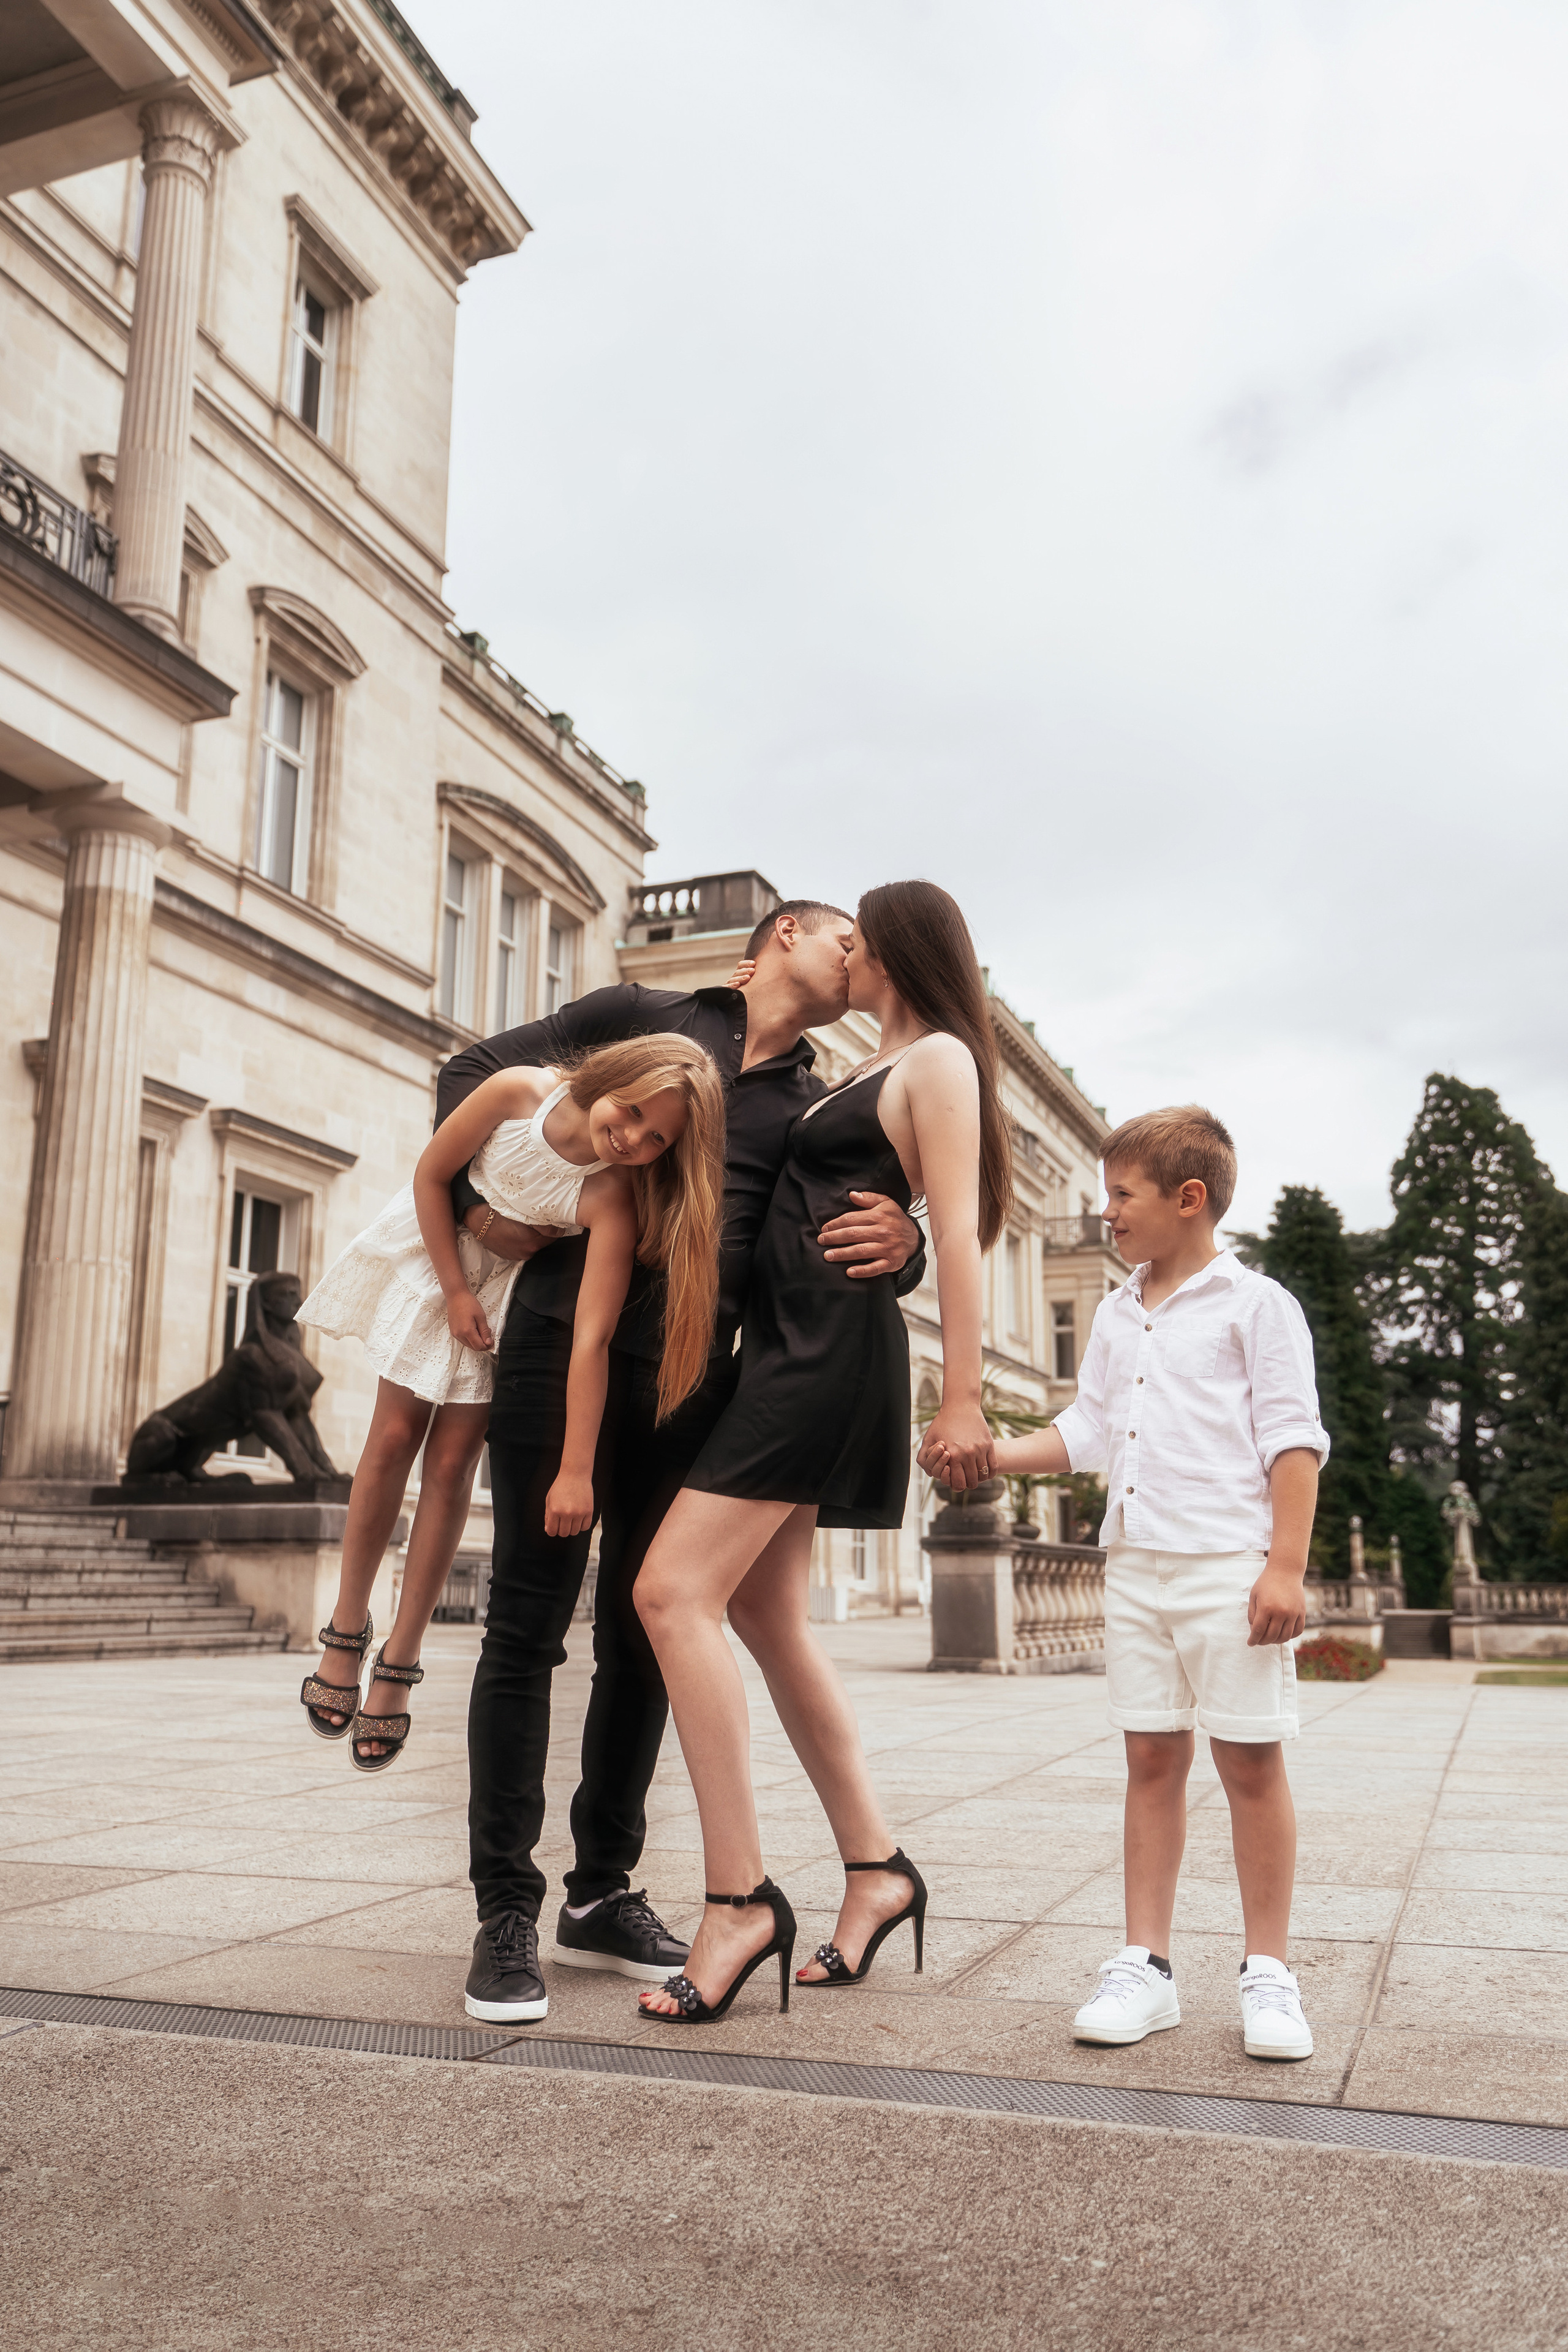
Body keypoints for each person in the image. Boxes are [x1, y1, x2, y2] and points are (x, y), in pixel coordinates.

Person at [437, 903, 927, 2024]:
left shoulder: (817, 1107)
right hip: (559, 1352)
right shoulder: (638, 1013)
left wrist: (910, 1247)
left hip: (698, 1384)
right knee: (522, 1626)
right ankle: (505, 1906)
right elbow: (476, 1069)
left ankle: (601, 1891)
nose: (857, 958)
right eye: (840, 937)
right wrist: (486, 1198)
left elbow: (845, 1241)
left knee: (643, 1637)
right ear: (780, 935)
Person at [633, 879, 1011, 2024]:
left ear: (894, 949)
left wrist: (968, 1401)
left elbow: (966, 1224)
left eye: (858, 938)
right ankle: (877, 1869)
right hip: (789, 1345)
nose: (844, 952)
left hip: (827, 1356)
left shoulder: (938, 1059)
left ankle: (738, 1897)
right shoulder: (864, 1066)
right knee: (763, 1616)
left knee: (668, 1594)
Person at [981, 1106, 1330, 2062]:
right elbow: (1087, 1428)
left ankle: (1270, 1976)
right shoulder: (1118, 1308)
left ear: (1189, 1199)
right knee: (1150, 1763)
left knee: (1251, 1765)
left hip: (1228, 1567)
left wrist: (1285, 1569)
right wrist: (993, 1455)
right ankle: (1146, 1966)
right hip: (1135, 1564)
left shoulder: (1257, 1306)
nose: (1106, 1213)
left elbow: (1293, 1440)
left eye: (1120, 1194)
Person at [294, 1038, 723, 1776]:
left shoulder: (611, 1195)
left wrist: (576, 1468)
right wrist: (456, 1290)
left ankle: (402, 1654)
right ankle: (345, 1626)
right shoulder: (518, 1092)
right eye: (631, 1116)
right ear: (612, 1079)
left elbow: (592, 1339)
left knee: (455, 1462)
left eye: (658, 1140)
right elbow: (432, 1175)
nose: (633, 1142)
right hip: (434, 1262)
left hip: (503, 1304)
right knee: (392, 1437)